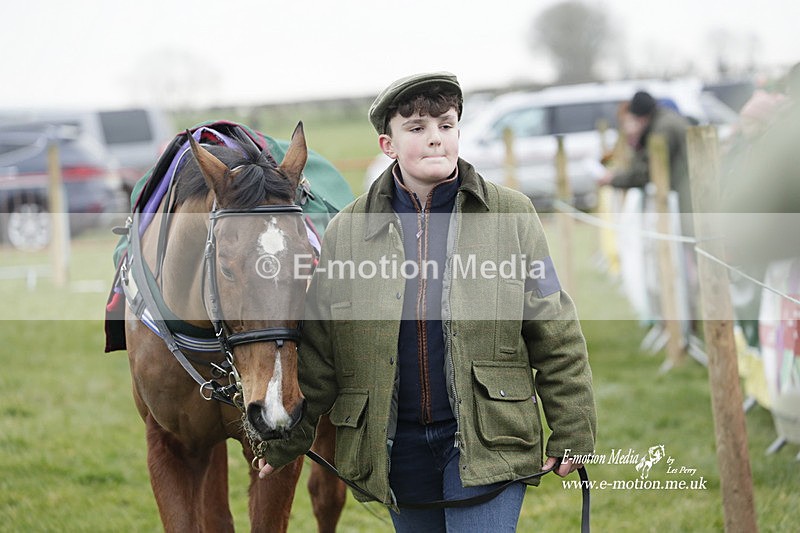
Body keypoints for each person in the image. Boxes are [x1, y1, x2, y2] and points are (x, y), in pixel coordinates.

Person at [258, 72, 596, 532]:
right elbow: (320, 354)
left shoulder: (513, 215)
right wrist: (286, 440)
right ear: (388, 144)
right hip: (394, 449)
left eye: (446, 125)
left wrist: (573, 426)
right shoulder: (346, 232)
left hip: (488, 436)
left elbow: (556, 332)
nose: (435, 137)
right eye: (417, 128)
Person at [598, 90, 692, 233]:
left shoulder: (662, 129)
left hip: (685, 192)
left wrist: (614, 179)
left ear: (640, 117)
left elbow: (644, 171)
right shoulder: (664, 120)